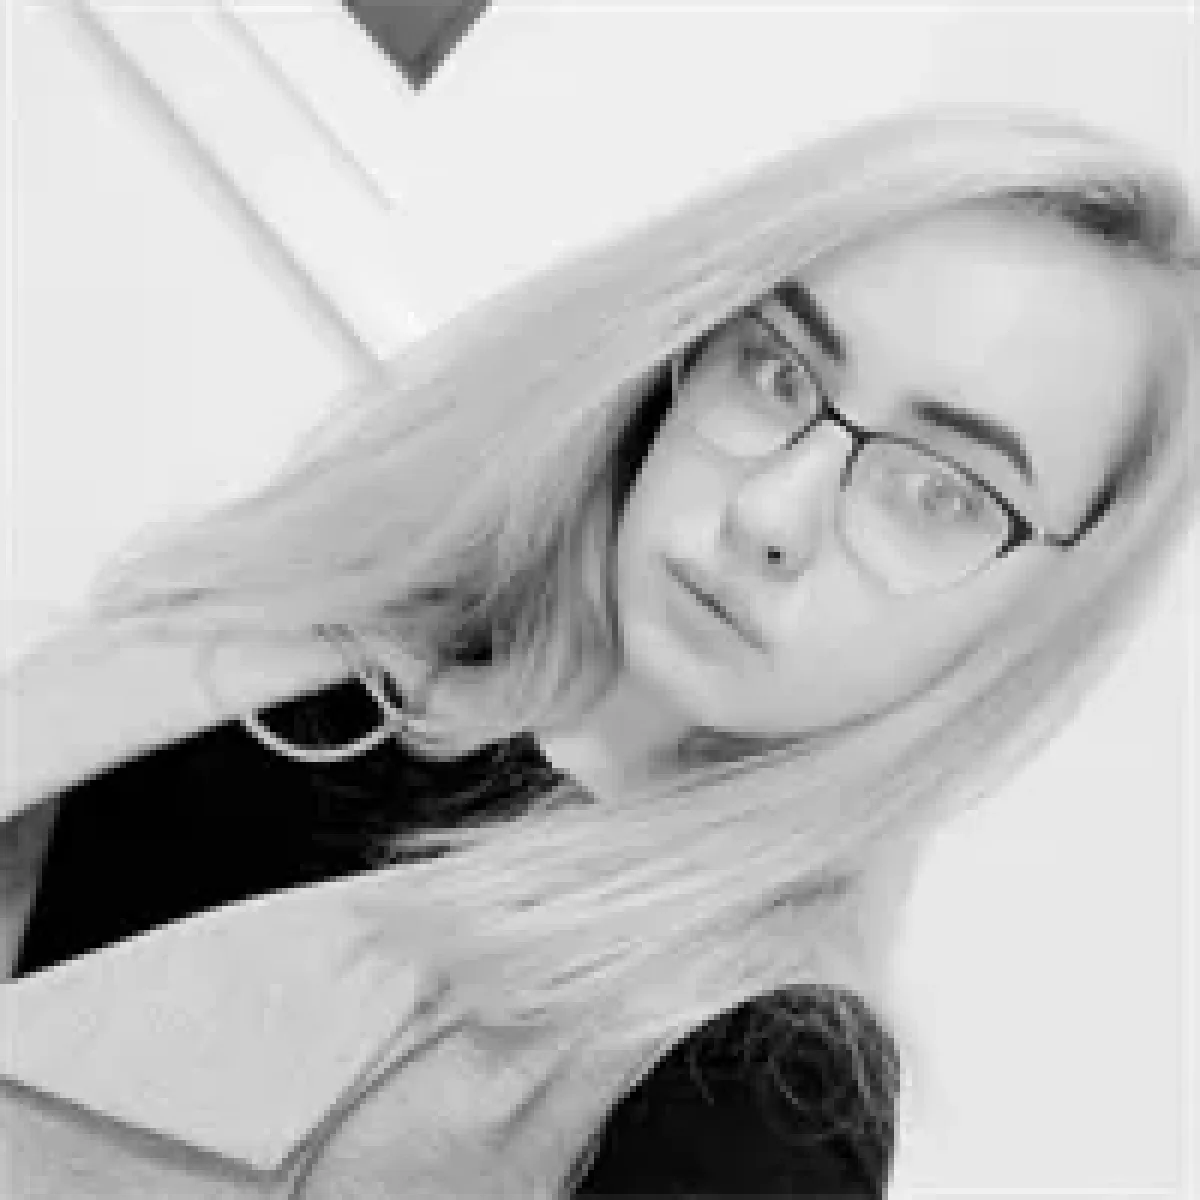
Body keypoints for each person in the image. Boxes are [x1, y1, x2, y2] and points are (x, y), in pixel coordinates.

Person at [1, 103, 1197, 1198]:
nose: (772, 513)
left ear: (1042, 607)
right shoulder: (337, 621)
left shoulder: (751, 1099)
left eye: (940, 493)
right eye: (778, 370)